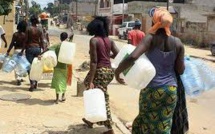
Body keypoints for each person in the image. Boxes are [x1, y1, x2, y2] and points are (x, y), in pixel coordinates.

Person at [115, 7, 185, 134]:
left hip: (151, 88)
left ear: (154, 21)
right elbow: (180, 70)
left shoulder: (150, 39)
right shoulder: (178, 43)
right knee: (164, 124)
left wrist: (117, 71)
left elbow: (132, 57)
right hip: (170, 90)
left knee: (146, 121)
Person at [82, 16, 119, 134]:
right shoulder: (109, 40)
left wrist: (91, 80)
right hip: (109, 71)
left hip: (100, 71)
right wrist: (108, 56)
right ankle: (90, 120)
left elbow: (94, 62)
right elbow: (118, 53)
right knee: (96, 94)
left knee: (99, 96)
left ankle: (109, 129)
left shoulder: (94, 40)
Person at [39, 32, 72, 104]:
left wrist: (40, 54)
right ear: (66, 38)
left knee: (57, 82)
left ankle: (57, 99)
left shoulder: (57, 45)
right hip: (66, 66)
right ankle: (63, 96)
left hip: (57, 66)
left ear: (60, 38)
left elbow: (47, 49)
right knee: (64, 81)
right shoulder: (68, 46)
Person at [20, 15, 44, 92]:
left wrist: (22, 50)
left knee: (29, 67)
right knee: (36, 66)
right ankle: (36, 82)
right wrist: (43, 51)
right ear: (37, 21)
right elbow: (42, 41)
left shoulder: (28, 29)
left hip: (29, 49)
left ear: (31, 21)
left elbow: (25, 41)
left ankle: (32, 84)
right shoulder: (40, 30)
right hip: (37, 49)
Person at [7, 20, 28, 85]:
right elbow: (26, 44)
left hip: (16, 51)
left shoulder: (15, 34)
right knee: (22, 65)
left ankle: (18, 78)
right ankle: (20, 77)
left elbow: (12, 43)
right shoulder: (25, 35)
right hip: (23, 51)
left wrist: (8, 50)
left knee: (16, 65)